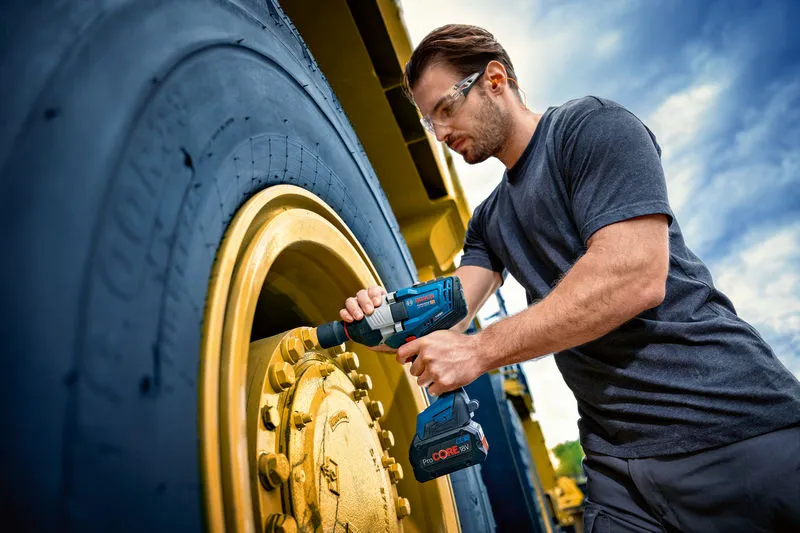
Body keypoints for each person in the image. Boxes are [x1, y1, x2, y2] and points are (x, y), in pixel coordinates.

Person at [338, 24, 800, 532]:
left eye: (446, 109)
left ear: (495, 80)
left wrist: (480, 351)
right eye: (430, 123)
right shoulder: (489, 221)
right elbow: (448, 318)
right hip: (619, 471)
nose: (442, 133)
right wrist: (379, 322)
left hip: (733, 424)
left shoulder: (591, 128)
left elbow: (635, 275)